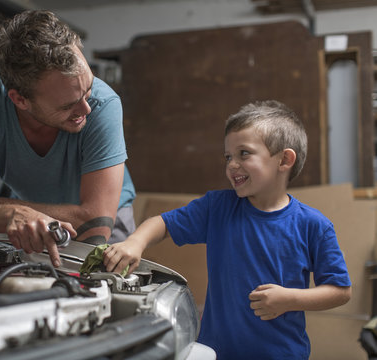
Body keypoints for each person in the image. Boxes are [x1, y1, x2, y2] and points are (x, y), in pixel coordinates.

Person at [103, 100, 351, 359]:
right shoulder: (217, 207)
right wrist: (135, 242)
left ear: (284, 160)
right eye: (228, 156)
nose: (232, 164)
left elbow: (340, 291)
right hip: (216, 352)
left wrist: (290, 300)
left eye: (244, 153)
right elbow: (163, 223)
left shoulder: (314, 225)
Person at [0, 10, 136, 268]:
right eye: (68, 105)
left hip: (111, 219)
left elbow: (95, 223)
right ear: (20, 100)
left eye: (88, 88)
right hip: (27, 219)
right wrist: (15, 214)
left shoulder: (104, 105)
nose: (86, 109)